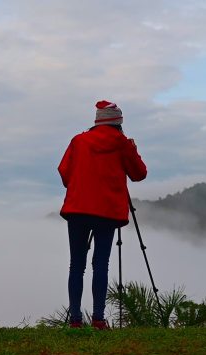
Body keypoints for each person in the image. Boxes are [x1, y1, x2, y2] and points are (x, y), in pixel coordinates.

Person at [57, 100, 147, 329]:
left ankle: (75, 320)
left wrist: (81, 185)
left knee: (76, 265)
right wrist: (132, 148)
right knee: (101, 264)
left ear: (97, 120)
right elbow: (138, 174)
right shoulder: (122, 144)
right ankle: (98, 319)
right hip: (107, 211)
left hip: (77, 209)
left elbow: (64, 172)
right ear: (118, 122)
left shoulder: (78, 141)